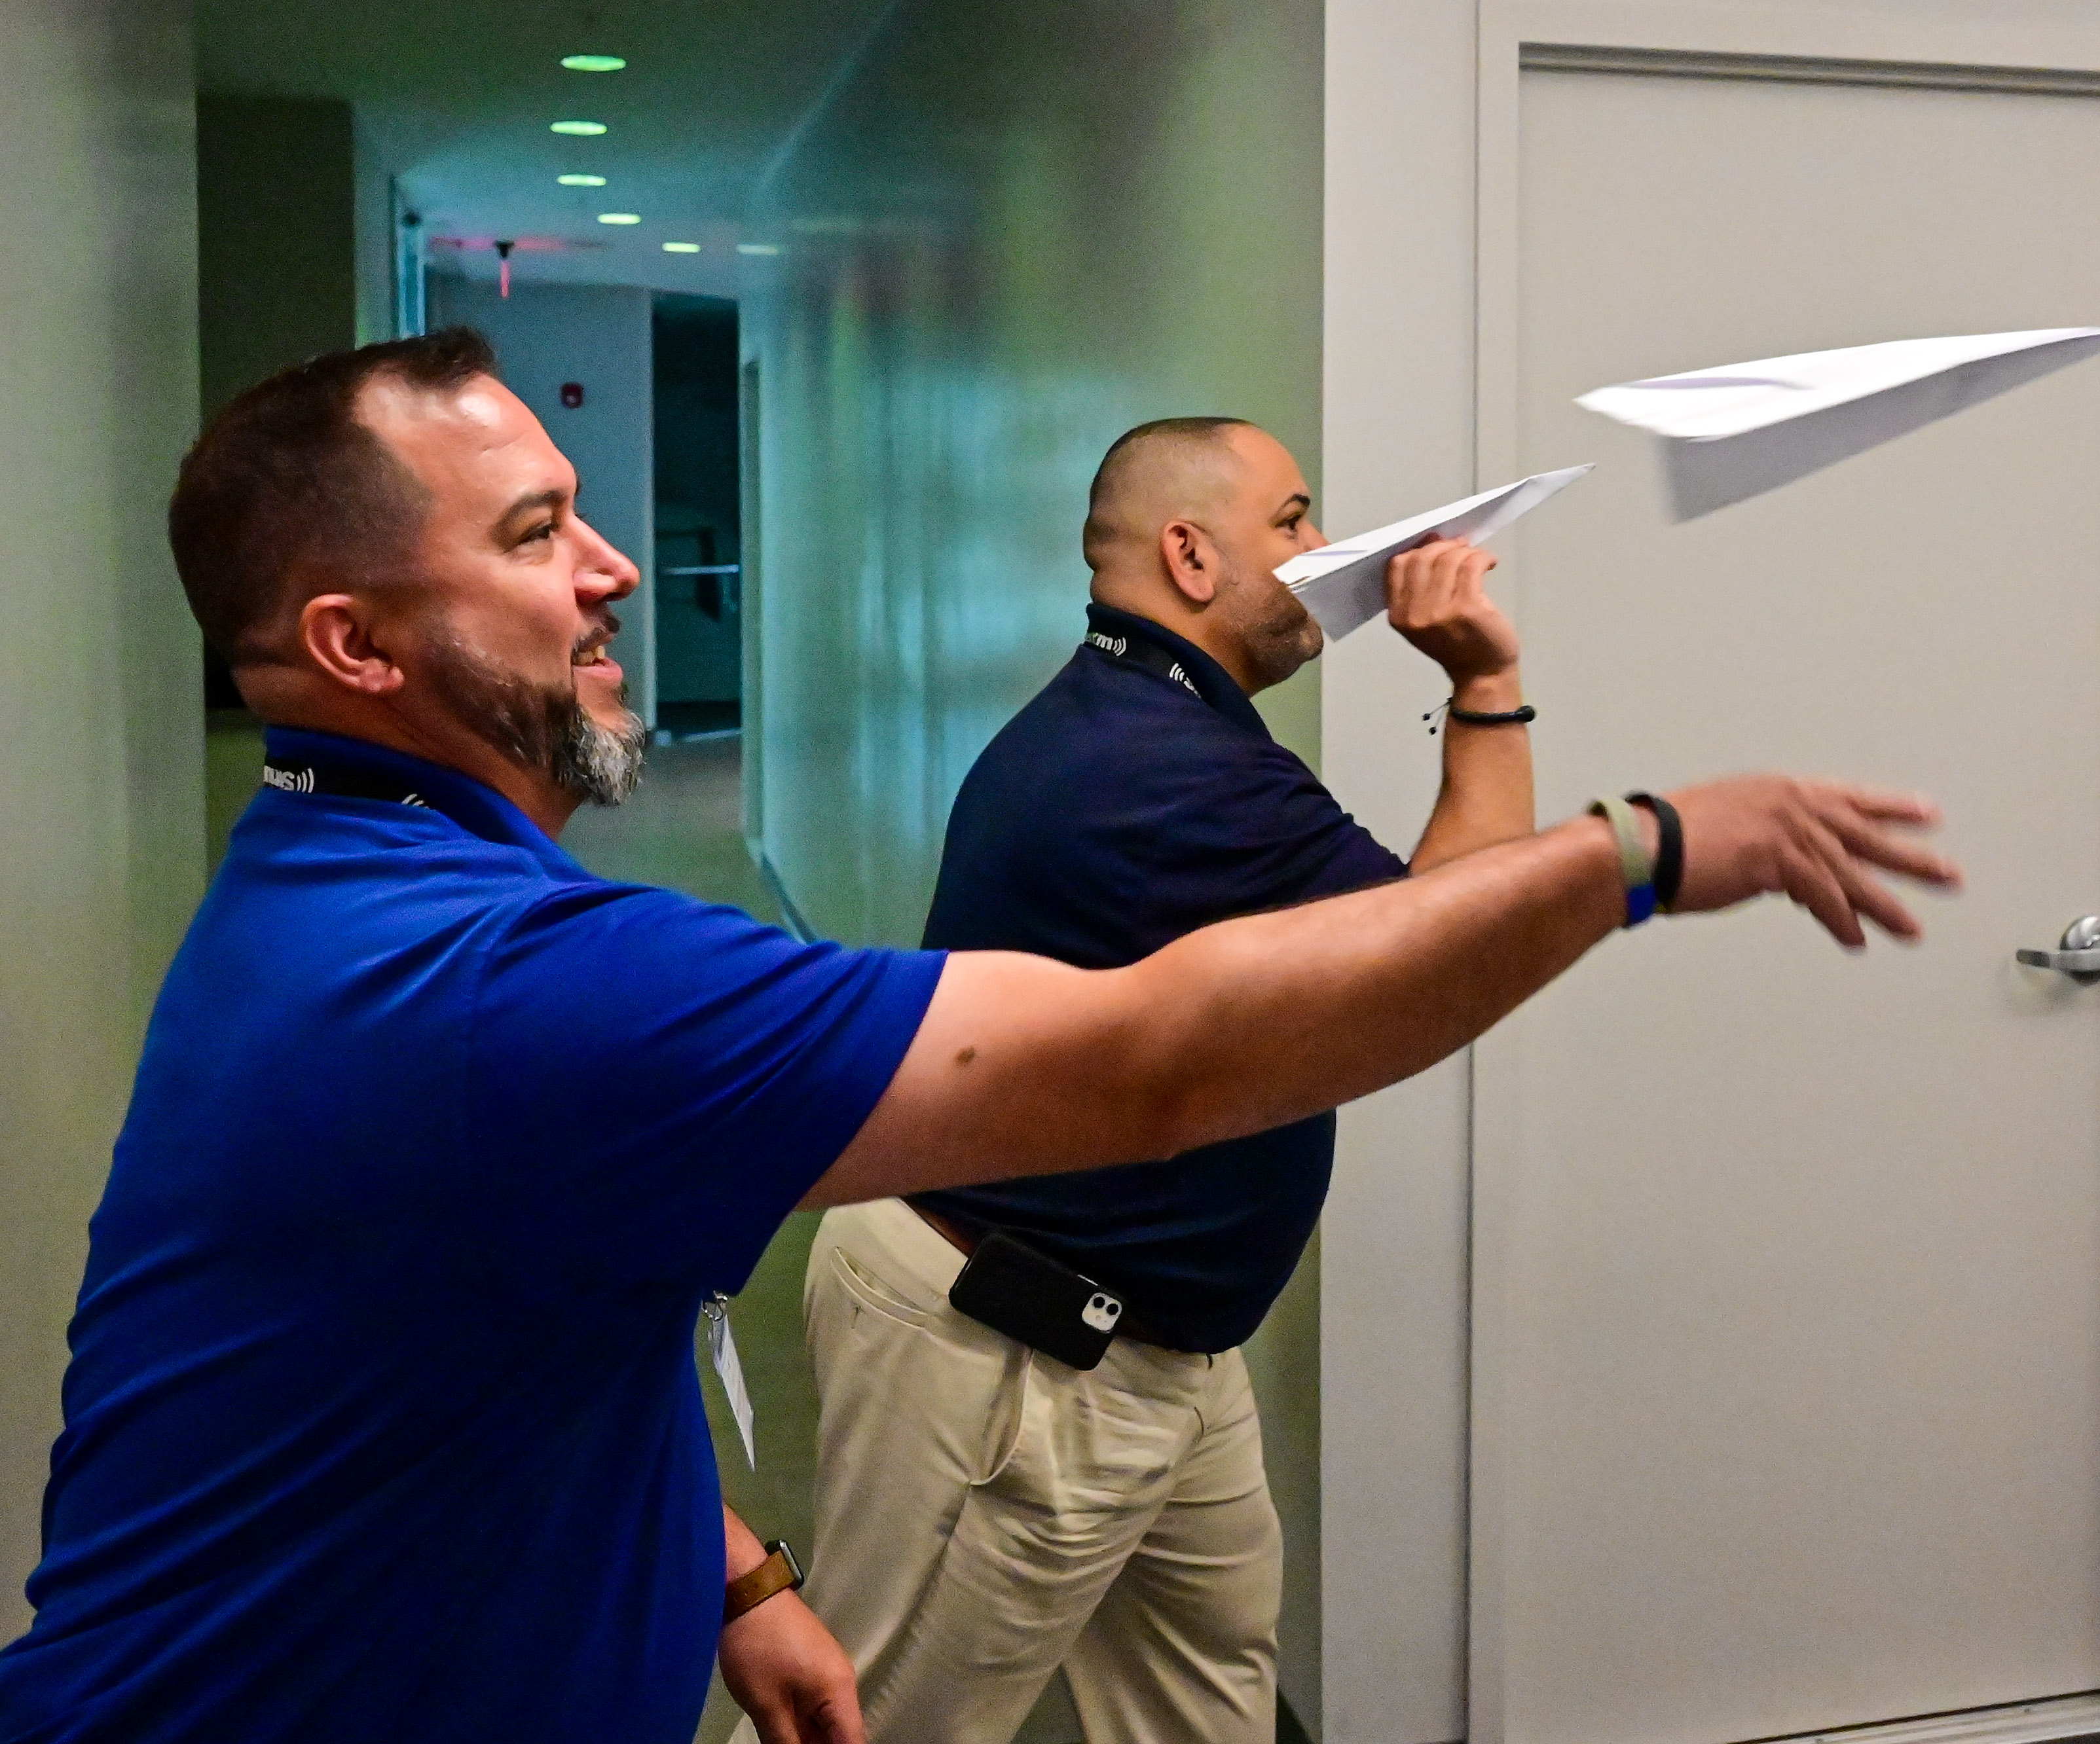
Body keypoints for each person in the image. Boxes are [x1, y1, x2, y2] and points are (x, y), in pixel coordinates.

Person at [0, 331, 1958, 1744]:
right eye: (533, 535)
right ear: (353, 648)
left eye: (583, 517)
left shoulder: (341, 884)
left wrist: (730, 1568)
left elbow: (510, 1319)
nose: (609, 571)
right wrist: (1645, 848)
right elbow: (1164, 1060)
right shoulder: (511, 992)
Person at [775, 416, 1537, 1744]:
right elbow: (1454, 954)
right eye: (1294, 519)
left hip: (1156, 1349)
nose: (1327, 552)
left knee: (1205, 1706)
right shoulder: (1166, 769)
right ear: (1191, 556)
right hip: (1017, 1359)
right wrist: (1482, 683)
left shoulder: (1127, 716)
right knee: (881, 1721)